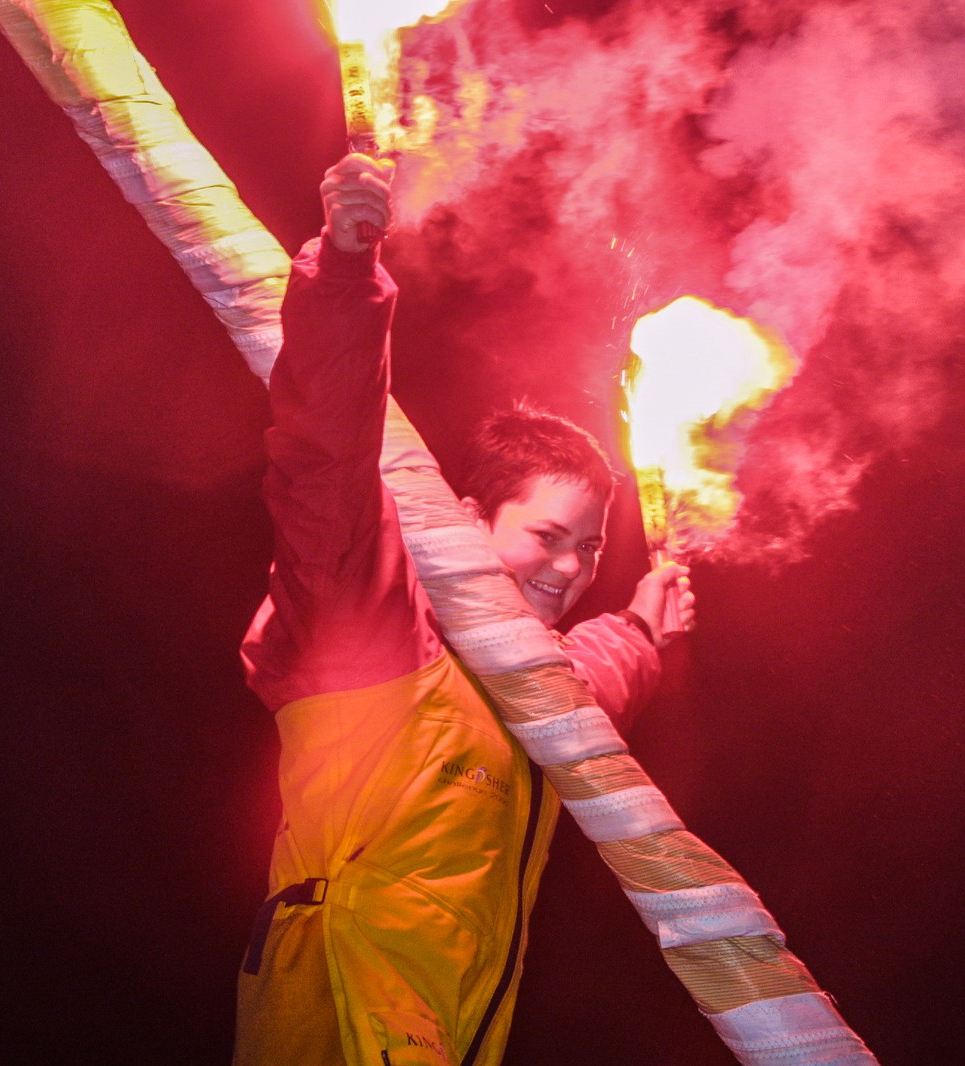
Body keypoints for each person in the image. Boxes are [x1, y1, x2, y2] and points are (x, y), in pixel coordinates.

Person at [232, 154, 695, 1066]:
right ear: (474, 521)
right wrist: (348, 275)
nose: (571, 568)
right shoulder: (366, 634)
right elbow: (325, 455)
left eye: (591, 548)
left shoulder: (540, 702)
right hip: (333, 1023)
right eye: (549, 535)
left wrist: (644, 626)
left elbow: (590, 680)